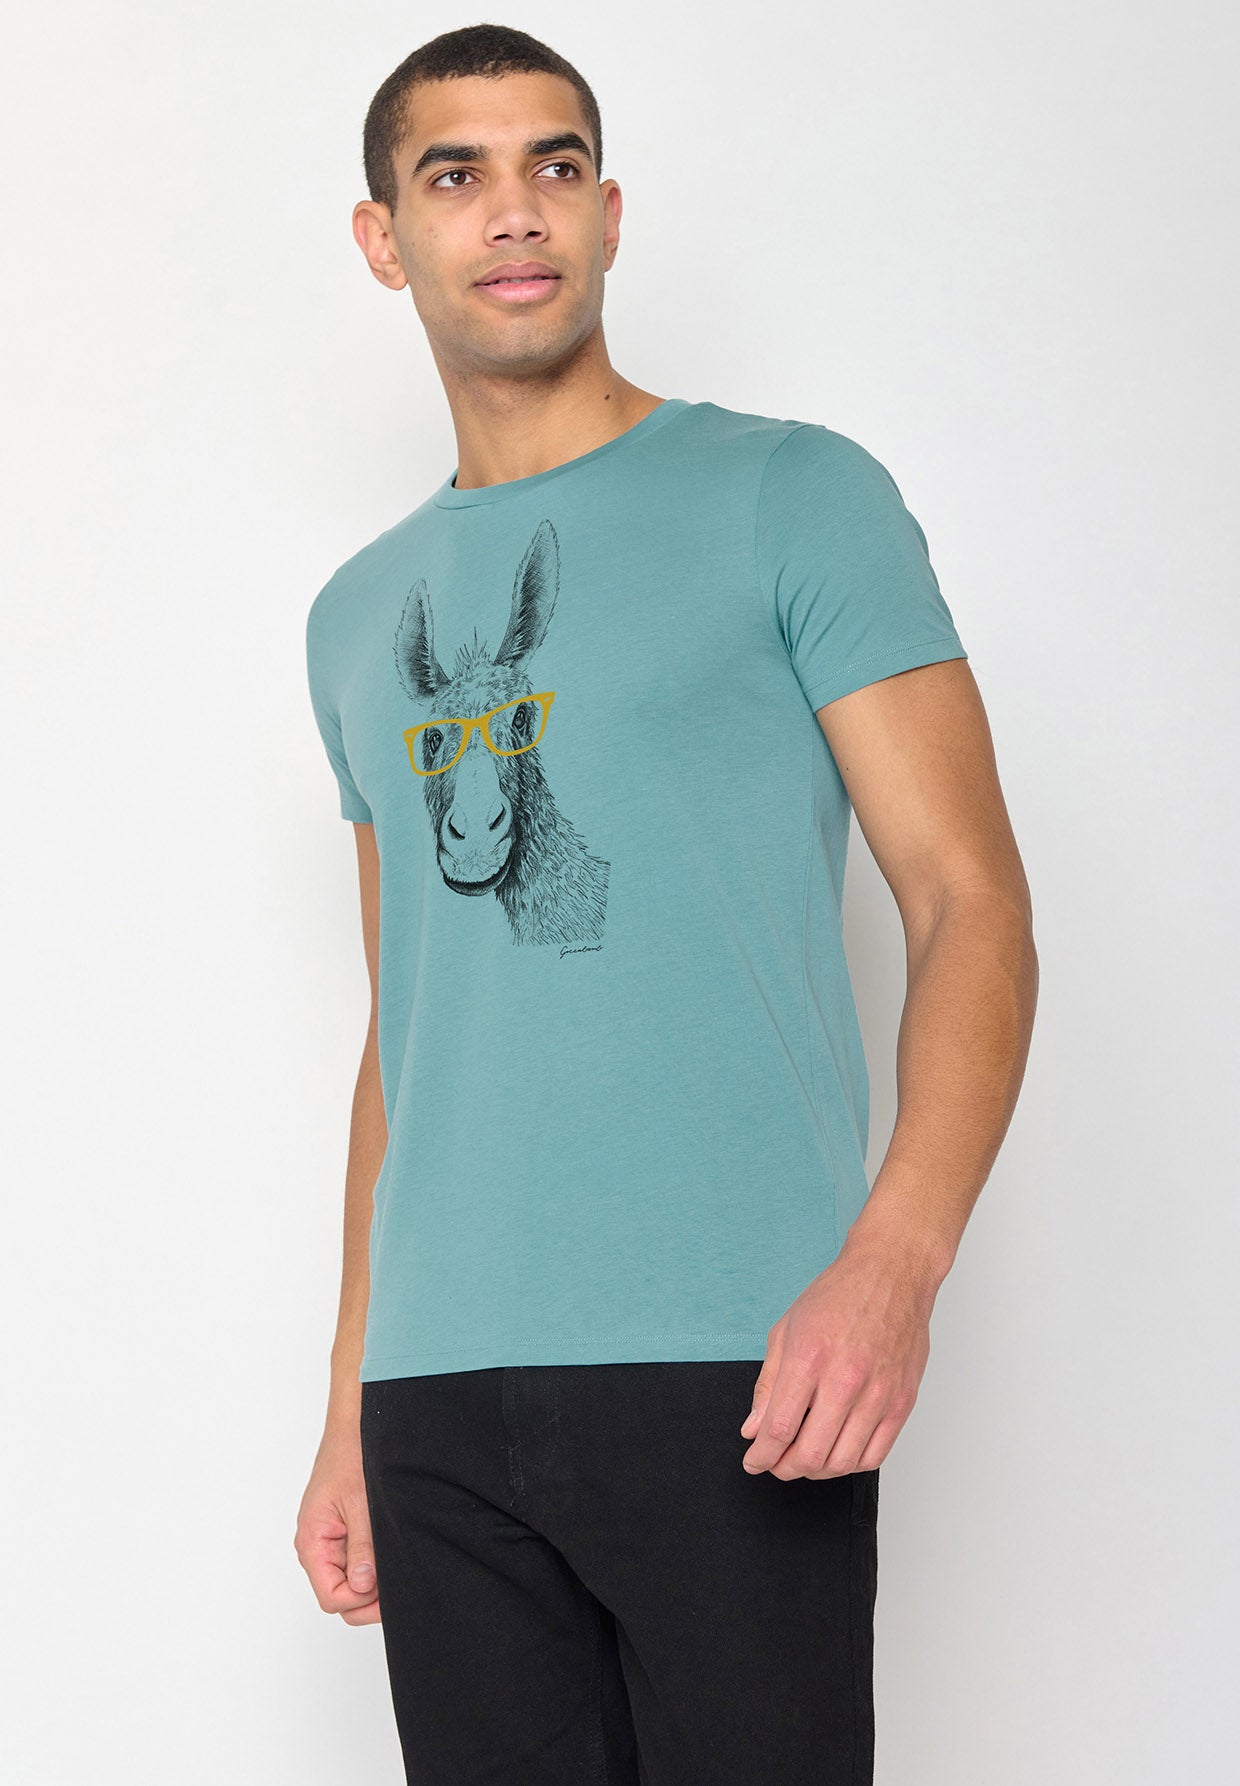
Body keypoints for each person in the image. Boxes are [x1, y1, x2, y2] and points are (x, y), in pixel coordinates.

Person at [293, 22, 1038, 1785]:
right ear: (384, 238)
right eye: (455, 176)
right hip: (439, 1399)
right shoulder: (355, 614)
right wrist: (349, 1402)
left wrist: (896, 1260)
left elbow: (969, 898)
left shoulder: (792, 495)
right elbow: (408, 1029)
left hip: (735, 1362)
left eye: (553, 166)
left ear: (610, 213)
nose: (514, 211)